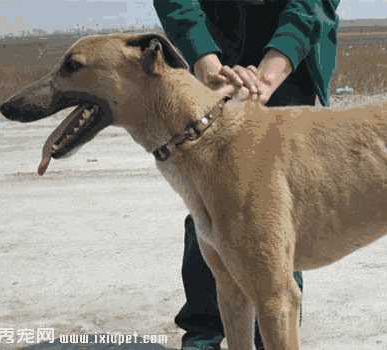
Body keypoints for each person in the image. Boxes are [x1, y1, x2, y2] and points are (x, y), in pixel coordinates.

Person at [153, 1, 340, 349]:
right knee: (210, 201)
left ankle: (274, 332)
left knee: (275, 209)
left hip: (288, 63)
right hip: (211, 48)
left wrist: (268, 77)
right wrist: (205, 61)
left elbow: (312, 5)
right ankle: (205, 332)